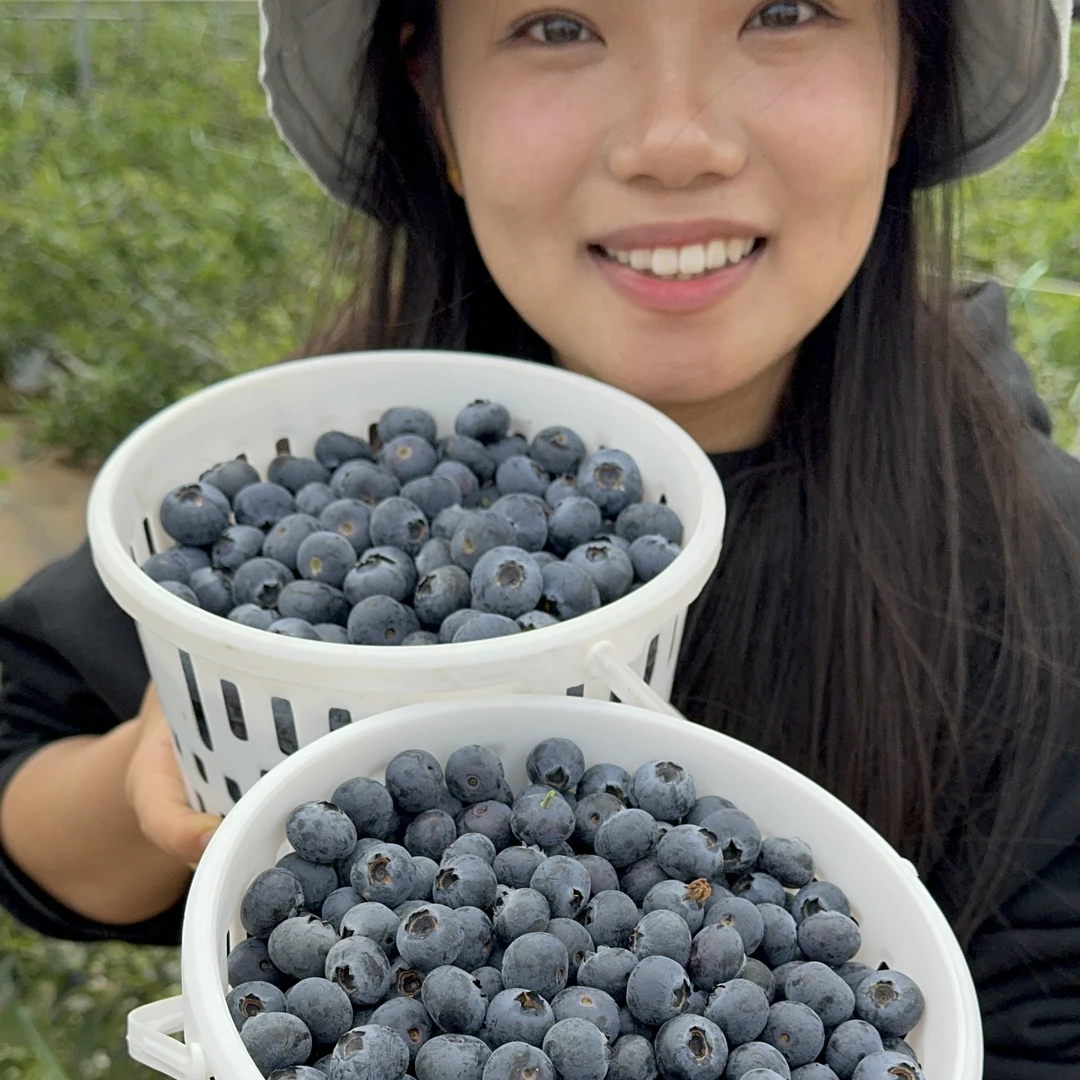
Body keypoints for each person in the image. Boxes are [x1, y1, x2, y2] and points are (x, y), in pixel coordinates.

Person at [0, 0, 1077, 1074]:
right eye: (558, 23)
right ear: (433, 101)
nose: (674, 142)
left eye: (784, 9)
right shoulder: (347, 485)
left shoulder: (1046, 594)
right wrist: (171, 773)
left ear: (910, 85)